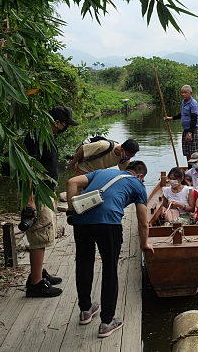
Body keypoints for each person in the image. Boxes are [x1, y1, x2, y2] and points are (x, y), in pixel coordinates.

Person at [66, 161, 153, 338]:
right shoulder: (138, 185)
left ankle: (85, 311)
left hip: (82, 220)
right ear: (140, 176)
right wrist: (144, 244)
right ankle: (107, 321)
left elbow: (71, 183)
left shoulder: (100, 173)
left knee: (83, 263)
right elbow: (143, 222)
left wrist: (70, 212)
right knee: (110, 268)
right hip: (109, 223)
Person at [22, 105, 79, 297]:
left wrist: (52, 195)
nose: (65, 129)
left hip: (46, 192)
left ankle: (37, 274)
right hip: (37, 193)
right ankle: (36, 283)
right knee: (39, 235)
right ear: (57, 122)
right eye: (65, 125)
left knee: (45, 233)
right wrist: (31, 201)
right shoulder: (35, 137)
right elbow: (29, 169)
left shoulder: (47, 136)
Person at [164, 85, 198, 165]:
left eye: (185, 92)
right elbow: (183, 114)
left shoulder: (193, 104)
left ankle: (196, 171)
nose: (183, 94)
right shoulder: (183, 102)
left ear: (190, 93)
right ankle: (189, 169)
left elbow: (194, 118)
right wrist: (171, 118)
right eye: (182, 92)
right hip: (186, 129)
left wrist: (190, 133)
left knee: (194, 152)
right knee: (187, 151)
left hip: (194, 129)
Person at [68, 138, 139, 175]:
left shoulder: (123, 159)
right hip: (85, 168)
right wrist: (73, 164)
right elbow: (82, 149)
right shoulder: (103, 146)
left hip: (97, 173)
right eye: (128, 155)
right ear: (122, 149)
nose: (128, 158)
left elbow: (127, 172)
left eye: (130, 157)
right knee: (80, 191)